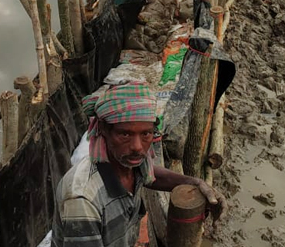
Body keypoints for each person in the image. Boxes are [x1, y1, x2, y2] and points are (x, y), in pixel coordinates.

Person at [52, 83, 226, 247]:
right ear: (104, 129)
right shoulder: (82, 201)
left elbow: (151, 175)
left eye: (146, 134)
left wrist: (197, 183)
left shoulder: (128, 164)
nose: (137, 147)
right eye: (125, 134)